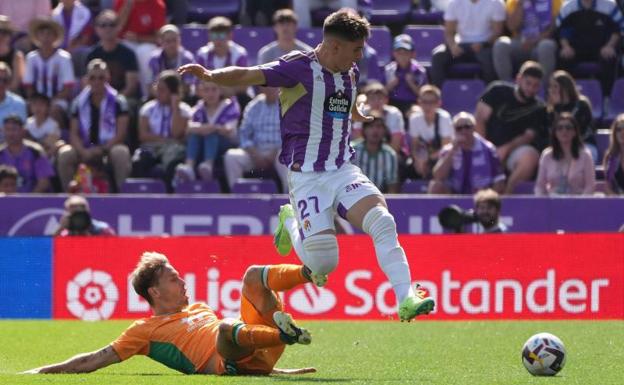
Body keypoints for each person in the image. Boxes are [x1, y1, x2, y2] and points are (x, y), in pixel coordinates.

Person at [178, 9, 435, 322]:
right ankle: (290, 221)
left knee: (382, 222)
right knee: (324, 264)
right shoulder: (297, 67)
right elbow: (249, 74)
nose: (359, 57)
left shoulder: (350, 70)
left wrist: (357, 114)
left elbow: (344, 99)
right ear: (334, 46)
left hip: (342, 169)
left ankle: (405, 296)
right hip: (307, 176)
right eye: (355, 49)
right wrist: (210, 76)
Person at [23, 252, 316, 375]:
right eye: (174, 278)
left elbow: (244, 340)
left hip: (256, 350)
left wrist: (276, 371)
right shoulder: (144, 331)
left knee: (253, 276)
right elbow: (96, 359)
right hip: (230, 364)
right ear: (155, 292)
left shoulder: (200, 307)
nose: (184, 281)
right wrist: (44, 371)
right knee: (227, 328)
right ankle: (285, 334)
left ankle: (309, 271)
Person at [56, 59, 131, 193]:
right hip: (84, 148)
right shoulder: (78, 103)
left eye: (101, 78)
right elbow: (74, 133)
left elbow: (121, 133)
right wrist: (83, 152)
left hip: (108, 148)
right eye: (92, 78)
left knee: (121, 152)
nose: (97, 82)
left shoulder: (119, 101)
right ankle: (68, 194)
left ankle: (122, 195)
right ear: (86, 80)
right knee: (65, 154)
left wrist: (102, 149)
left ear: (108, 78)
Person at [475, 60, 548, 194]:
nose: (531, 89)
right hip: (484, 147)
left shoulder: (539, 108)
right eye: (528, 83)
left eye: (536, 86)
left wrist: (505, 149)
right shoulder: (496, 90)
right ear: (518, 79)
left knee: (530, 157)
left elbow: (528, 136)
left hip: (512, 151)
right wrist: (487, 151)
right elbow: (480, 118)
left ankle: (506, 198)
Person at [132, 70, 191, 189]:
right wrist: (166, 140)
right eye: (157, 88)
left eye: (162, 89)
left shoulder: (184, 111)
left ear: (173, 91)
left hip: (173, 149)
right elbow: (143, 135)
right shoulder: (147, 108)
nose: (158, 92)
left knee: (173, 160)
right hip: (152, 146)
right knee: (139, 160)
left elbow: (176, 133)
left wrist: (175, 108)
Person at [174, 80, 240, 184]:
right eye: (206, 90)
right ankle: (189, 166)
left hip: (225, 146)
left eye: (214, 89)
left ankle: (208, 165)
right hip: (203, 146)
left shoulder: (230, 105)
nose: (210, 94)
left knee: (211, 134)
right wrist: (209, 128)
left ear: (220, 91)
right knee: (195, 135)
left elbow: (228, 129)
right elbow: (189, 128)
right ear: (201, 92)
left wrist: (210, 128)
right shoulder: (199, 108)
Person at [223, 86, 287, 192]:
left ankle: (289, 199)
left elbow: (291, 134)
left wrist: (276, 150)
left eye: (274, 86)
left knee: (286, 156)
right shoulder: (254, 106)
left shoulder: (287, 104)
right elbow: (244, 134)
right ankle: (236, 196)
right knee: (231, 157)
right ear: (261, 88)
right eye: (267, 86)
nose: (270, 89)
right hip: (255, 152)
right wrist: (254, 153)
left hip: (278, 151)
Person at [430, 0, 506, 88]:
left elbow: (497, 32)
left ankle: (488, 98)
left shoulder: (496, 3)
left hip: (485, 46)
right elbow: (449, 32)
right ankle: (440, 95)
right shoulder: (454, 3)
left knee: (489, 61)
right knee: (438, 56)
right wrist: (452, 46)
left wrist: (483, 44)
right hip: (461, 45)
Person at [555, 0, 624, 95]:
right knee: (563, 58)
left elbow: (618, 30)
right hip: (576, 49)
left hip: (602, 49)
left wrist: (610, 46)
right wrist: (566, 46)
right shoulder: (568, 7)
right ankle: (565, 96)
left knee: (610, 58)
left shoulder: (610, 5)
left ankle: (607, 98)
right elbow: (562, 31)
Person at [429, 111, 505, 194]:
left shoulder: (488, 149)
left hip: (481, 196)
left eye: (467, 127)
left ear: (474, 128)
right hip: (454, 194)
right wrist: (453, 150)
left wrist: (487, 198)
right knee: (435, 185)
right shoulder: (448, 150)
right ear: (454, 130)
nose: (463, 131)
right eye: (459, 128)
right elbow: (438, 176)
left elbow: (499, 178)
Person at [23, 17, 76, 125]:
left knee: (54, 110)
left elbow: (67, 89)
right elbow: (28, 86)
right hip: (36, 99)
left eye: (49, 34)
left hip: (57, 100)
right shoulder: (31, 58)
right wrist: (37, 102)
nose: (46, 37)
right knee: (23, 108)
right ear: (37, 36)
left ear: (55, 37)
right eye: (42, 33)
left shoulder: (64, 58)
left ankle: (54, 139)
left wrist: (49, 103)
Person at [492, 0, 560, 83]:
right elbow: (512, 27)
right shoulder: (513, 2)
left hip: (542, 41)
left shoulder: (555, 1)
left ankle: (544, 89)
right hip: (520, 42)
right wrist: (520, 4)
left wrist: (535, 40)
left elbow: (554, 27)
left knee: (546, 46)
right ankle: (507, 87)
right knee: (501, 44)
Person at [534, 112, 595, 196]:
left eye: (568, 128)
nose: (564, 131)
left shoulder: (585, 155)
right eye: (559, 128)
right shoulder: (546, 155)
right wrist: (543, 202)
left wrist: (580, 203)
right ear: (555, 132)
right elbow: (539, 186)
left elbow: (590, 186)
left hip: (579, 202)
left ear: (574, 132)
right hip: (553, 203)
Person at [114, 0, 166, 95]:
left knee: (144, 52)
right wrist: (127, 6)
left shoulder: (157, 4)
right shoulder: (122, 1)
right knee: (121, 51)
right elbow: (116, 29)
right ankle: (121, 94)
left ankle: (146, 94)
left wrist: (138, 38)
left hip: (146, 43)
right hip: (125, 42)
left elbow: (159, 38)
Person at [87, 10, 140, 101]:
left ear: (119, 27)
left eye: (112, 24)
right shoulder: (92, 54)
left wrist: (113, 101)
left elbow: (131, 87)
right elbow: (87, 84)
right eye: (103, 25)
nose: (108, 28)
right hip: (97, 100)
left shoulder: (129, 54)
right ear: (96, 29)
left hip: (122, 99)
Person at [546, 70, 597, 163]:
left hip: (584, 145)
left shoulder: (581, 105)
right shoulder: (550, 110)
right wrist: (556, 108)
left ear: (566, 88)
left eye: (555, 86)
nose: (551, 90)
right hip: (559, 148)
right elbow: (551, 134)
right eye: (550, 86)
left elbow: (579, 130)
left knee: (580, 159)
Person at [408, 84, 453, 179]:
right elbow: (414, 146)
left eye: (431, 102)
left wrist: (427, 160)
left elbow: (446, 148)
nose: (428, 106)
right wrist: (418, 160)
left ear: (438, 103)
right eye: (424, 102)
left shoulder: (444, 118)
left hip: (442, 157)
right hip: (424, 157)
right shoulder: (414, 119)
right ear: (419, 102)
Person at [0, 115, 54, 193]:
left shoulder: (35, 151)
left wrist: (27, 200)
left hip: (33, 201)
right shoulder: (1, 153)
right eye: (7, 129)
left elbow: (44, 183)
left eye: (14, 129)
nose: (10, 133)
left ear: (23, 130)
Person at [352, 81, 405, 155]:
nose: (376, 102)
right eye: (372, 98)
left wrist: (383, 157)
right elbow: (357, 137)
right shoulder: (362, 111)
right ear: (367, 100)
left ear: (386, 100)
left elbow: (396, 142)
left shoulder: (394, 113)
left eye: (380, 98)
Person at [352, 112, 400, 194]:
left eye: (379, 126)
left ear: (385, 131)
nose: (375, 130)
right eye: (371, 126)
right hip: (354, 197)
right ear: (364, 130)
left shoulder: (390, 154)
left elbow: (392, 187)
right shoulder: (352, 151)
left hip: (380, 199)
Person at [147, 24, 196, 99]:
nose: (172, 44)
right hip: (160, 97)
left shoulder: (187, 59)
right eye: (168, 41)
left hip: (182, 97)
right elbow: (150, 86)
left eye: (174, 40)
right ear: (161, 41)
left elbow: (187, 87)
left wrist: (172, 96)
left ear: (179, 40)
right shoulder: (154, 58)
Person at [384, 34, 428, 114]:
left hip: (412, 103)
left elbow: (423, 95)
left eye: (406, 52)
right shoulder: (389, 70)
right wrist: (391, 85)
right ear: (393, 53)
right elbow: (382, 92)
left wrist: (411, 83)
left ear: (413, 54)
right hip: (392, 102)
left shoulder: (419, 71)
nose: (402, 56)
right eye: (399, 52)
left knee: (415, 112)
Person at [25, 93, 61, 159]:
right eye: (34, 104)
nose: (37, 108)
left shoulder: (53, 125)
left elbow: (49, 146)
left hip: (47, 157)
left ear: (47, 107)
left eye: (41, 105)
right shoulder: (26, 123)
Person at [0, 62, 27, 144]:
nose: (1, 84)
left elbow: (19, 133)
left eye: (5, 80)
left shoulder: (18, 103)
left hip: (9, 149)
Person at [0, 15, 25, 93]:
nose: (1, 35)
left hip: (10, 96)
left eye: (4, 32)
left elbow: (15, 84)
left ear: (10, 36)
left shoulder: (17, 56)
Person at [604, 113, 624, 195]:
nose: (622, 132)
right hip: (618, 203)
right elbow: (608, 187)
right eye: (618, 129)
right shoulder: (611, 157)